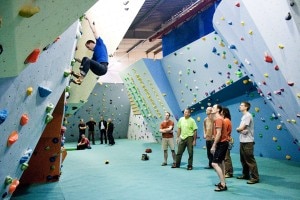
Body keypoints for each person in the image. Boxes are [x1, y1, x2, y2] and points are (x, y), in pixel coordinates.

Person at [71, 15, 109, 85]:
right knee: (85, 58)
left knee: (87, 60)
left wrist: (88, 19)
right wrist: (76, 59)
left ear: (91, 43)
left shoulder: (99, 43)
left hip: (103, 68)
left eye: (88, 47)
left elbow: (94, 31)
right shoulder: (94, 55)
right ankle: (80, 75)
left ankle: (80, 79)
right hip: (97, 70)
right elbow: (86, 63)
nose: (89, 49)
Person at [236, 101, 260, 184]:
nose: (240, 106)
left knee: (250, 160)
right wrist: (240, 129)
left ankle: (255, 177)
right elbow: (241, 129)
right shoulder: (244, 116)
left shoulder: (248, 116)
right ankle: (245, 175)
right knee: (243, 159)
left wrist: (238, 129)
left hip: (248, 141)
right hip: (242, 140)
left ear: (246, 107)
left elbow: (242, 128)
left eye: (242, 105)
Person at [210, 104, 229, 192]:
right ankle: (223, 182)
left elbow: (219, 134)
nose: (211, 109)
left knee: (214, 164)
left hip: (221, 144)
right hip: (223, 143)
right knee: (220, 163)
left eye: (213, 107)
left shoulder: (218, 119)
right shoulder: (219, 119)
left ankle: (223, 185)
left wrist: (214, 145)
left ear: (218, 110)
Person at [221, 107, 234, 178]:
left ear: (224, 112)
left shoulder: (225, 121)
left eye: (221, 111)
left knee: (226, 157)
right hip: (226, 140)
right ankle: (227, 171)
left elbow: (224, 132)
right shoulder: (226, 120)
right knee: (225, 157)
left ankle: (229, 172)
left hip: (225, 140)